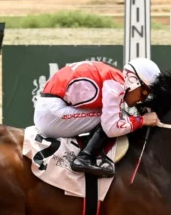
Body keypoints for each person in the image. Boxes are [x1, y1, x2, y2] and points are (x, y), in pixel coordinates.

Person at [33, 57, 162, 178]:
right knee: (115, 118)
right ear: (133, 81)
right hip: (52, 113)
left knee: (114, 115)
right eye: (144, 92)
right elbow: (111, 127)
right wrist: (142, 120)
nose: (142, 99)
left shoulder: (112, 77)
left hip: (50, 108)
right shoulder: (116, 82)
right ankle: (84, 158)